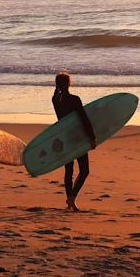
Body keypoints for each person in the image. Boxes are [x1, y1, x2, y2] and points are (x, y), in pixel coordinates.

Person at [52, 72, 96, 211]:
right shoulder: (74, 99)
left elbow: (56, 92)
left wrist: (57, 86)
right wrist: (92, 137)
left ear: (57, 85)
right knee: (84, 170)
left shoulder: (55, 99)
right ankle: (72, 197)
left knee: (69, 170)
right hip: (76, 138)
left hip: (63, 137)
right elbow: (84, 119)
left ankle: (70, 199)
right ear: (69, 84)